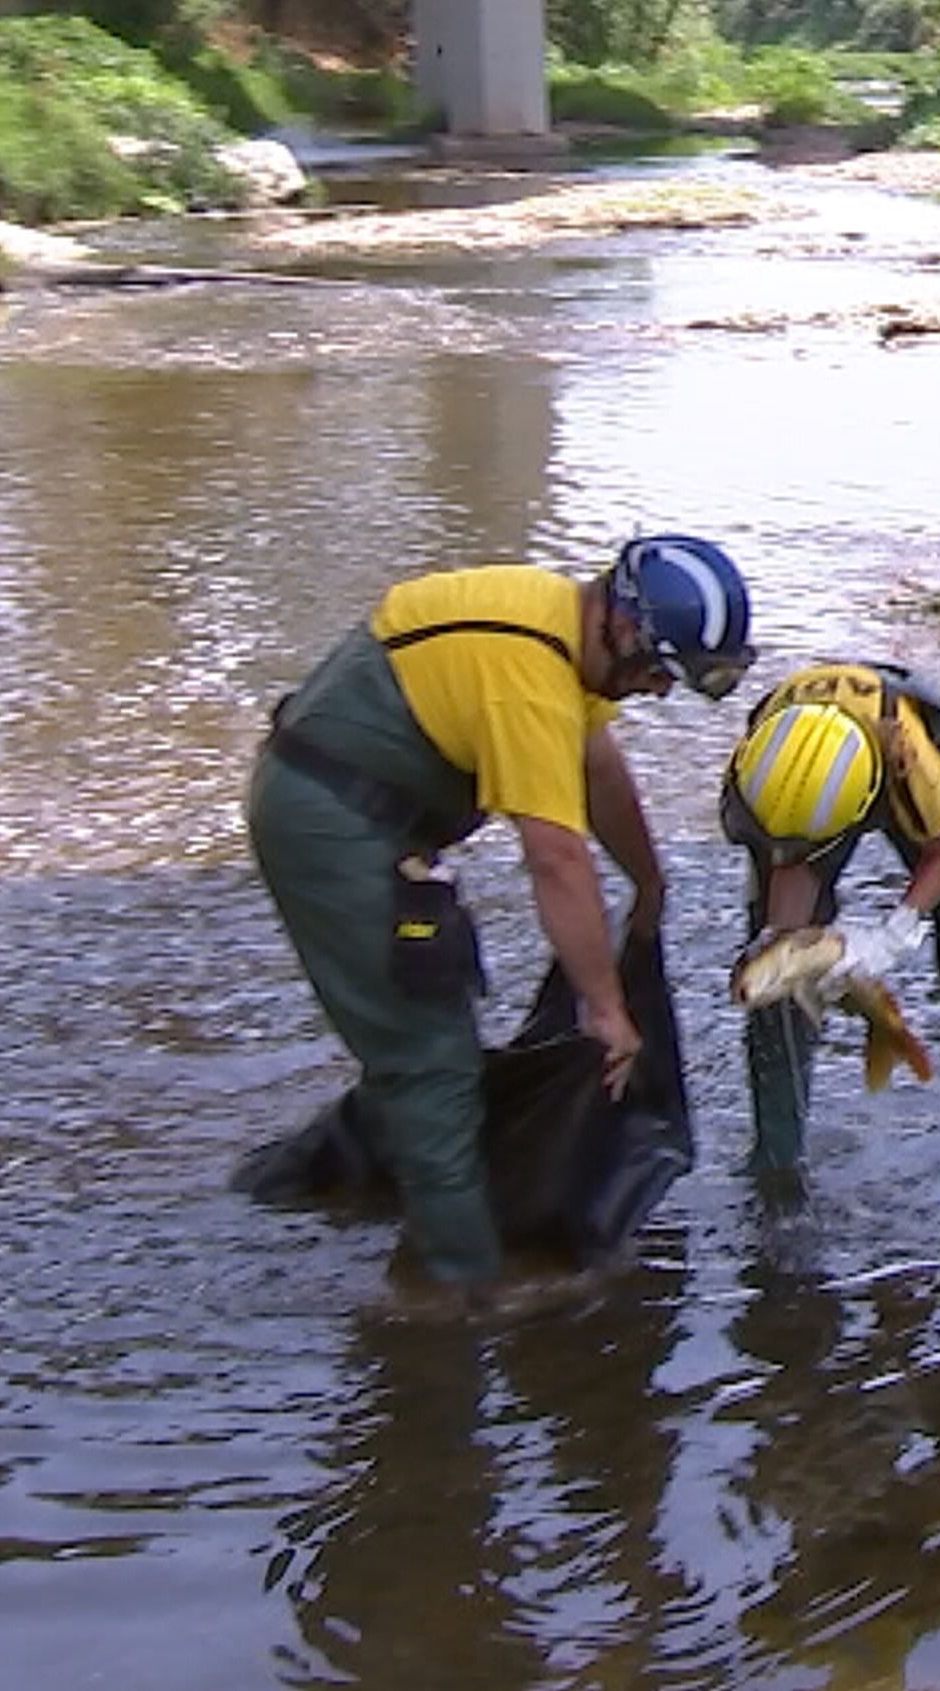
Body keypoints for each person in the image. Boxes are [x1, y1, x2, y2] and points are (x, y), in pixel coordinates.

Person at [246, 534, 755, 1289]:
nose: (655, 689)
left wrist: (648, 883)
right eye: (655, 670)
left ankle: (297, 1187)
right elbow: (556, 858)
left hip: (379, 816)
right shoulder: (528, 678)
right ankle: (459, 1294)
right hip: (330, 822)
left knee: (428, 1030)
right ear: (620, 625)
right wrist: (607, 1011)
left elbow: (598, 767)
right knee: (431, 1060)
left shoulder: (563, 625)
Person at [719, 660, 940, 1176]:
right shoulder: (756, 778)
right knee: (773, 982)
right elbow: (787, 863)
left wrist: (893, 935)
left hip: (914, 768)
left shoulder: (912, 762)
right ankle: (776, 1168)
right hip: (801, 789)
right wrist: (792, 948)